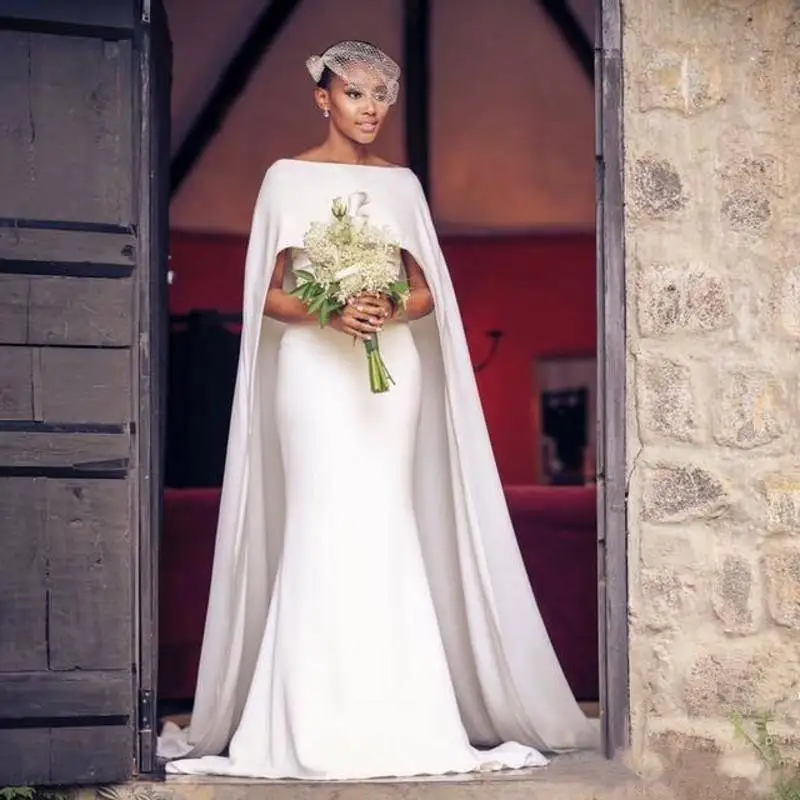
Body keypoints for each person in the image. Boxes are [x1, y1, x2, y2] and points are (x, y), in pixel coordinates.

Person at [158, 40, 597, 780]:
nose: (370, 108)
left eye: (380, 96)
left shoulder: (402, 186)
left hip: (392, 376)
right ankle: (308, 719)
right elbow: (262, 293)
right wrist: (327, 311)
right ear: (322, 98)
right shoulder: (285, 179)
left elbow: (429, 291)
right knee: (317, 522)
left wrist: (389, 305)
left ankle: (405, 716)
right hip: (311, 374)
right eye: (354, 93)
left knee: (387, 524)